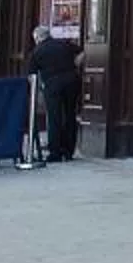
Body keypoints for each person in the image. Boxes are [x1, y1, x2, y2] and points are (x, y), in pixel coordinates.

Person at [25, 25, 82, 163]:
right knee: (70, 114)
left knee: (54, 117)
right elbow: (81, 52)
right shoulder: (63, 44)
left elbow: (31, 75)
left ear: (38, 38)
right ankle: (68, 151)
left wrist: (37, 89)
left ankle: (55, 152)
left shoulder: (37, 51)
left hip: (52, 84)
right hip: (72, 80)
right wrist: (76, 65)